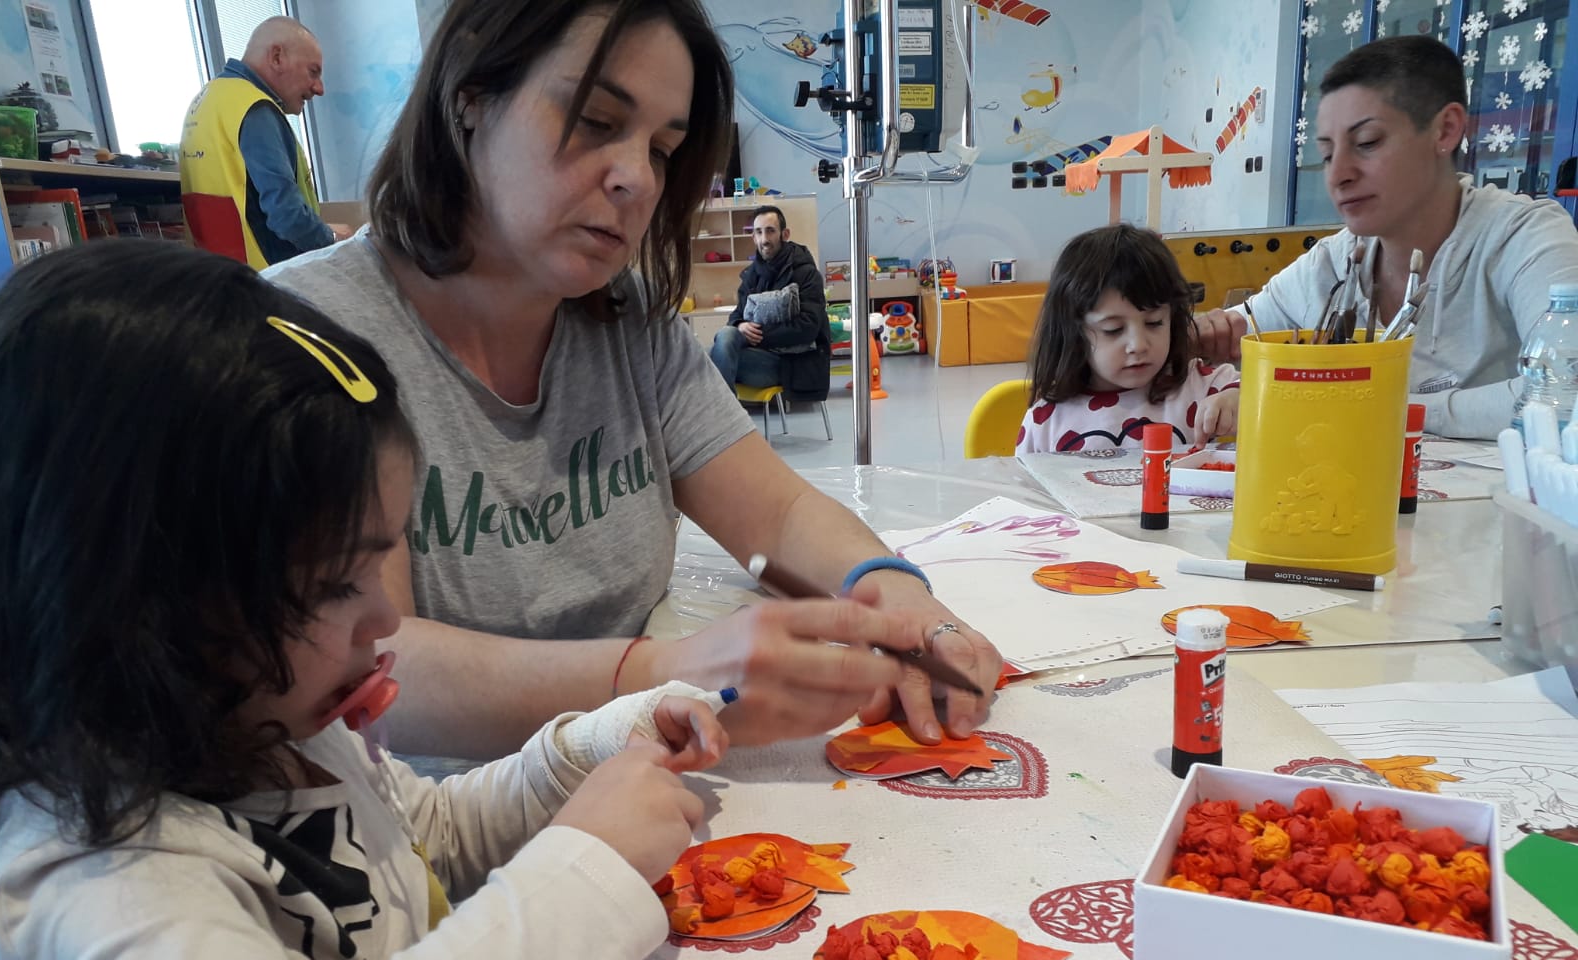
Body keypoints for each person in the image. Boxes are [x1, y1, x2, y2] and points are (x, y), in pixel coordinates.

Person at [0, 240, 728, 960]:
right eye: (335, 584)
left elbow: (428, 842)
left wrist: (588, 750)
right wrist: (584, 871)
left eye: (383, 557)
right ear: (134, 606)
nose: (385, 618)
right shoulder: (100, 866)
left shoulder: (281, 724)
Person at [266, 0, 1000, 761]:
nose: (635, 180)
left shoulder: (627, 320)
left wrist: (895, 597)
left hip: (629, 776)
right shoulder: (307, 334)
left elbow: (774, 517)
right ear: (471, 97)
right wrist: (657, 679)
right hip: (428, 837)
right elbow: (374, 673)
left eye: (661, 149)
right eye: (594, 120)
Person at [1192, 36, 1578, 440]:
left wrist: (1390, 405)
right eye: (1326, 154)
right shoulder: (1336, 261)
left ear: (1445, 130)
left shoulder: (1525, 238)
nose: (1338, 174)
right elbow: (1235, 327)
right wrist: (1184, 335)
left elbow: (1564, 390)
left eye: (1367, 143)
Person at [1018, 224, 1239, 453]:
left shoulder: (1202, 386)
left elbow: (1263, 395)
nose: (1138, 345)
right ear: (1074, 332)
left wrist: (1237, 399)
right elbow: (1024, 488)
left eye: (1154, 323)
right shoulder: (1046, 420)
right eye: (1113, 329)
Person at [180, 16, 352, 268]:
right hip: (267, 288)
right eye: (313, 72)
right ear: (277, 57)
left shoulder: (206, 103)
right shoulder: (256, 110)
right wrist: (335, 242)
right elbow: (286, 215)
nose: (319, 88)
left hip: (219, 285)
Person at [709, 204, 832, 403]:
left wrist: (757, 335)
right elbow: (736, 315)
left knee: (709, 360)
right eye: (759, 232)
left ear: (785, 234)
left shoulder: (806, 274)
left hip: (789, 366)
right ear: (753, 237)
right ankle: (727, 416)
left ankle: (724, 417)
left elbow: (808, 327)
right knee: (721, 340)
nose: (764, 239)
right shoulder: (751, 275)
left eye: (770, 231)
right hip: (756, 357)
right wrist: (741, 325)